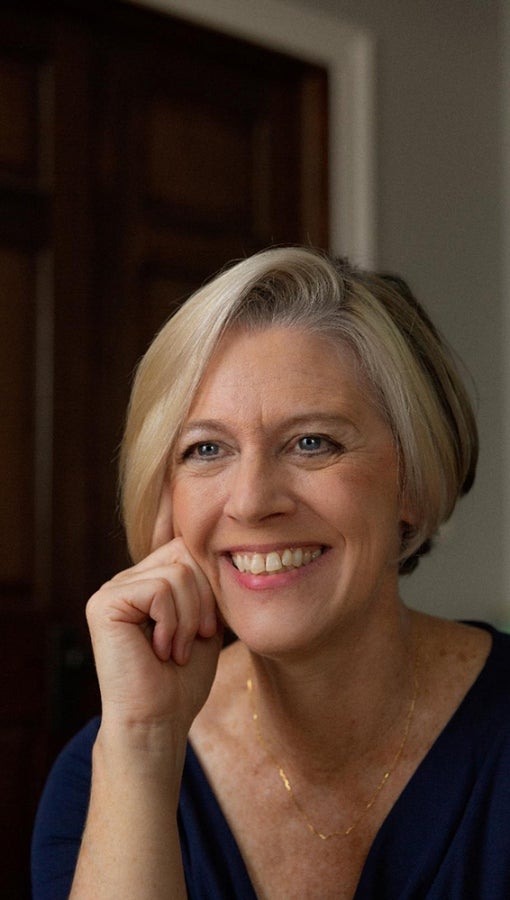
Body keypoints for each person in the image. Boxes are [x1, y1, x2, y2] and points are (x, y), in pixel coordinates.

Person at [32, 246, 510, 899]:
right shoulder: (101, 775)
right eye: (206, 449)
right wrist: (143, 745)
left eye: (313, 442)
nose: (253, 500)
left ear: (412, 482)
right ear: (167, 497)